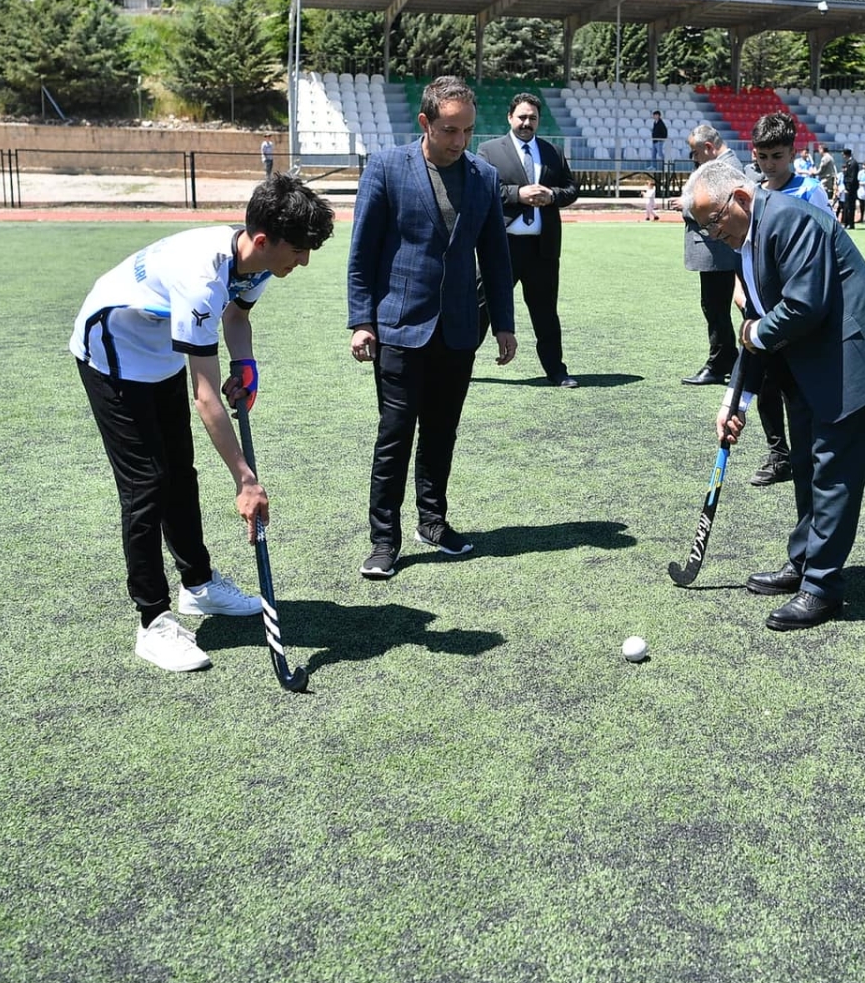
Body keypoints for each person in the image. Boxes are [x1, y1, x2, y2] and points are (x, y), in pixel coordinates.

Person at [71, 174, 334, 673]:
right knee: (147, 484)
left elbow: (236, 317)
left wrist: (247, 365)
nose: (303, 261)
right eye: (299, 250)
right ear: (264, 240)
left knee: (181, 472)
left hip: (160, 350)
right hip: (113, 352)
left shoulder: (252, 260)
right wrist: (246, 479)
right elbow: (206, 395)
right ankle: (152, 621)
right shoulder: (202, 279)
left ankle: (199, 585)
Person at [686, 159, 865, 629]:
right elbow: (757, 324)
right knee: (808, 469)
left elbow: (802, 307)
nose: (712, 235)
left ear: (741, 198)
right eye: (702, 226)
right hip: (813, 363)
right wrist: (736, 402)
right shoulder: (748, 237)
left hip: (854, 360)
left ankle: (822, 588)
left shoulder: (789, 219)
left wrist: (753, 333)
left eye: (713, 222)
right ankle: (804, 562)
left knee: (832, 474)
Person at [347, 76, 518, 581]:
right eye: (449, 130)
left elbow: (496, 257)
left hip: (460, 329)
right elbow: (362, 254)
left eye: (466, 130)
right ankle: (384, 540)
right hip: (398, 326)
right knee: (395, 436)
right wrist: (361, 321)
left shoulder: (484, 177)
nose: (460, 140)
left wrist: (504, 324)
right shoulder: (385, 167)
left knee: (442, 432)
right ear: (425, 123)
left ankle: (433, 523)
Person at [742, 113, 831, 486]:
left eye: (777, 156)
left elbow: (827, 245)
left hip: (797, 311)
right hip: (760, 308)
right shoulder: (751, 192)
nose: (769, 164)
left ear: (793, 152)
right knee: (766, 385)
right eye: (762, 156)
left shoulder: (810, 191)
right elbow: (742, 249)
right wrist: (739, 289)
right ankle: (778, 454)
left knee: (799, 385)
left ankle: (808, 453)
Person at [476, 93, 580, 388]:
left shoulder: (552, 152)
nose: (526, 123)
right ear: (510, 117)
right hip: (501, 248)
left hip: (542, 250)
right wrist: (517, 194)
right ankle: (457, 363)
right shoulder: (489, 150)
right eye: (521, 117)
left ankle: (556, 371)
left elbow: (571, 189)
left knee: (546, 313)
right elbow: (485, 189)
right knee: (479, 307)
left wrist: (553, 196)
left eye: (532, 118)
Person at [674, 125, 744, 386]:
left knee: (716, 308)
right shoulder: (723, 164)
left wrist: (688, 204)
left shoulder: (727, 166)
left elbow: (723, 207)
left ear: (708, 148)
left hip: (719, 249)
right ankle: (728, 359)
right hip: (716, 248)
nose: (694, 159)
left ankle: (721, 363)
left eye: (695, 153)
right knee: (714, 307)